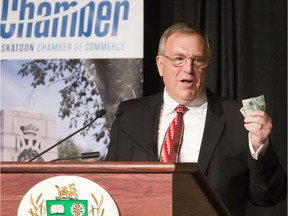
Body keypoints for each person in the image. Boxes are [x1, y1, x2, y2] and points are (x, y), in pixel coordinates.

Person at [105, 23, 287, 215]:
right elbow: (109, 185)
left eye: (198, 60)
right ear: (160, 64)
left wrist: (260, 147)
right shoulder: (129, 116)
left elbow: (269, 196)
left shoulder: (238, 118)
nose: (188, 69)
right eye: (178, 59)